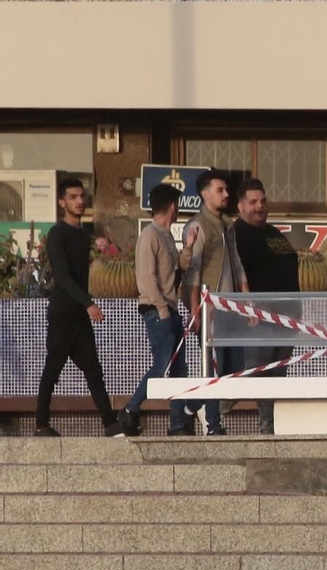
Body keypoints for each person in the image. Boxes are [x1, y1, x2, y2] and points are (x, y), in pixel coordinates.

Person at [34, 178, 119, 437]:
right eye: (73, 197)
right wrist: (88, 303)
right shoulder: (57, 233)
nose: (80, 201)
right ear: (62, 202)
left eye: (82, 196)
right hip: (63, 312)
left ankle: (110, 424)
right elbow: (62, 275)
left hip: (79, 314)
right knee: (53, 368)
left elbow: (81, 276)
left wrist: (85, 304)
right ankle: (41, 424)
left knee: (93, 370)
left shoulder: (83, 235)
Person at [116, 185, 198, 436]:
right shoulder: (150, 235)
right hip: (157, 309)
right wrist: (162, 308)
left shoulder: (165, 236)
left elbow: (175, 271)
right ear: (173, 206)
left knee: (179, 368)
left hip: (169, 309)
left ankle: (177, 423)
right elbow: (147, 277)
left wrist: (187, 248)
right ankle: (130, 410)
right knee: (162, 365)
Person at [230, 179, 300, 434]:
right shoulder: (236, 234)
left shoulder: (273, 233)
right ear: (240, 206)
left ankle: (271, 428)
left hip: (287, 319)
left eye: (263, 201)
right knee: (256, 376)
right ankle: (216, 406)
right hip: (258, 320)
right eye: (253, 202)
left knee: (277, 378)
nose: (260, 206)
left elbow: (290, 263)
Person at [180, 170, 245, 436]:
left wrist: (246, 303)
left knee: (235, 368)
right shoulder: (197, 226)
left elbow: (238, 266)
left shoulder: (229, 225)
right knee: (213, 366)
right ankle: (214, 424)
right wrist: (197, 311)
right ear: (205, 194)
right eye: (220, 190)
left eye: (227, 190)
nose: (226, 195)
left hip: (231, 308)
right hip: (210, 309)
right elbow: (192, 272)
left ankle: (192, 404)